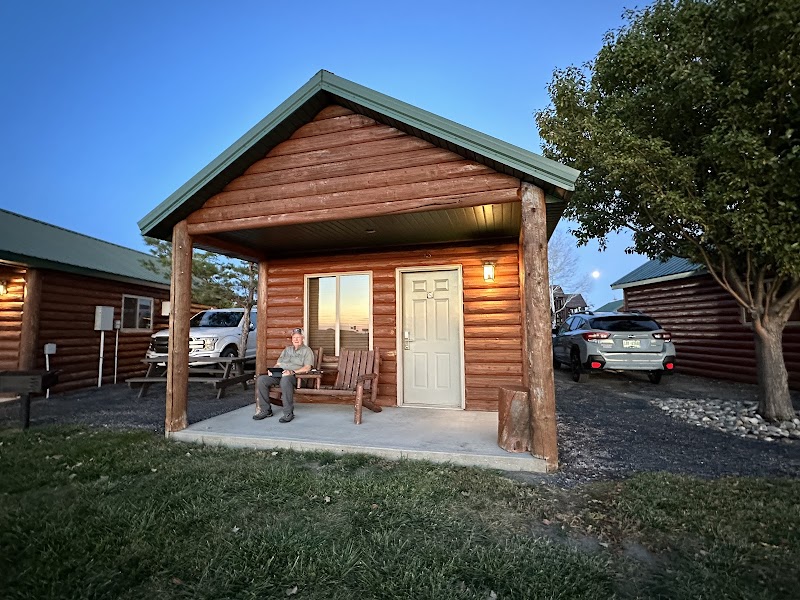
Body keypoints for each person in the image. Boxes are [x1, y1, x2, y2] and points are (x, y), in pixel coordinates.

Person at [253, 327, 315, 423]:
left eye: (298, 337)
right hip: (281, 374)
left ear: (303, 338)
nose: (296, 339)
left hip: (296, 377)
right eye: (294, 337)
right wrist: (273, 371)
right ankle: (266, 410)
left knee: (285, 380)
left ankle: (288, 413)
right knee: (262, 380)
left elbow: (307, 368)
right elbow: (278, 363)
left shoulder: (307, 351)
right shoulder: (287, 350)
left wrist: (292, 372)